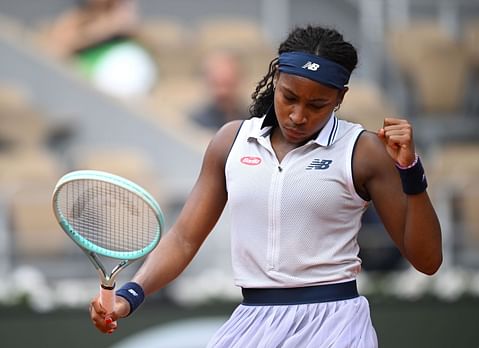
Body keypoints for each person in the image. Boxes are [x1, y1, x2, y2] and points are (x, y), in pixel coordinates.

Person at [89, 25, 442, 347]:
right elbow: (184, 238)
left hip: (336, 325)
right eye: (289, 97)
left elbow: (427, 260)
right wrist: (130, 295)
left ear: (340, 98)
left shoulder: (363, 151)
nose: (298, 115)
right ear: (276, 79)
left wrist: (410, 170)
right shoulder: (230, 141)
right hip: (252, 322)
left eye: (316, 104)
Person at [41, 0, 157, 97]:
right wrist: (106, 27)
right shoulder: (78, 18)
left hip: (133, 79)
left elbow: (133, 28)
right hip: (97, 75)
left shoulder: (123, 17)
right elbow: (56, 46)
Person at [190, 50, 248, 130]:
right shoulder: (194, 123)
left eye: (227, 83)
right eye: (216, 84)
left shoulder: (252, 120)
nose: (223, 92)